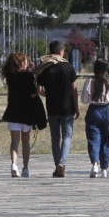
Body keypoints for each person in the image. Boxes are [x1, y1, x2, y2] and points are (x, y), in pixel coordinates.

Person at [36, 40, 79, 178]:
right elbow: (74, 89)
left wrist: (48, 94)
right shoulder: (68, 67)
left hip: (52, 107)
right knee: (67, 135)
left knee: (55, 138)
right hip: (67, 107)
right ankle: (62, 162)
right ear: (61, 52)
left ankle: (57, 167)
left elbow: (39, 89)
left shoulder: (46, 68)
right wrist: (76, 107)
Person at [1, 52, 46, 177]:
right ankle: (25, 168)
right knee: (25, 141)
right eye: (25, 61)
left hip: (13, 110)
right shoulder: (27, 76)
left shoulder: (9, 76)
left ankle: (14, 165)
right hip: (26, 112)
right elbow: (33, 94)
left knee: (14, 141)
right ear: (22, 63)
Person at [81, 58, 109, 178]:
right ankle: (104, 168)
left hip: (94, 110)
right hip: (107, 111)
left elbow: (84, 100)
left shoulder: (90, 81)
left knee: (93, 138)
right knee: (106, 140)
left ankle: (95, 164)